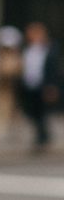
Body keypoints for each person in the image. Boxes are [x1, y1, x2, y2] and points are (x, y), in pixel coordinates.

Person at [20, 20, 61, 149]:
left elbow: (53, 69)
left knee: (41, 112)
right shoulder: (27, 49)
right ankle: (42, 134)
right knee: (31, 111)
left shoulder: (50, 48)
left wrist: (52, 86)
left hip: (43, 85)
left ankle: (42, 136)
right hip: (29, 84)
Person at [0, 25, 23, 142]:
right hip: (1, 87)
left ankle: (13, 130)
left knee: (13, 109)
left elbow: (19, 70)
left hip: (13, 87)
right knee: (0, 107)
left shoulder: (16, 57)